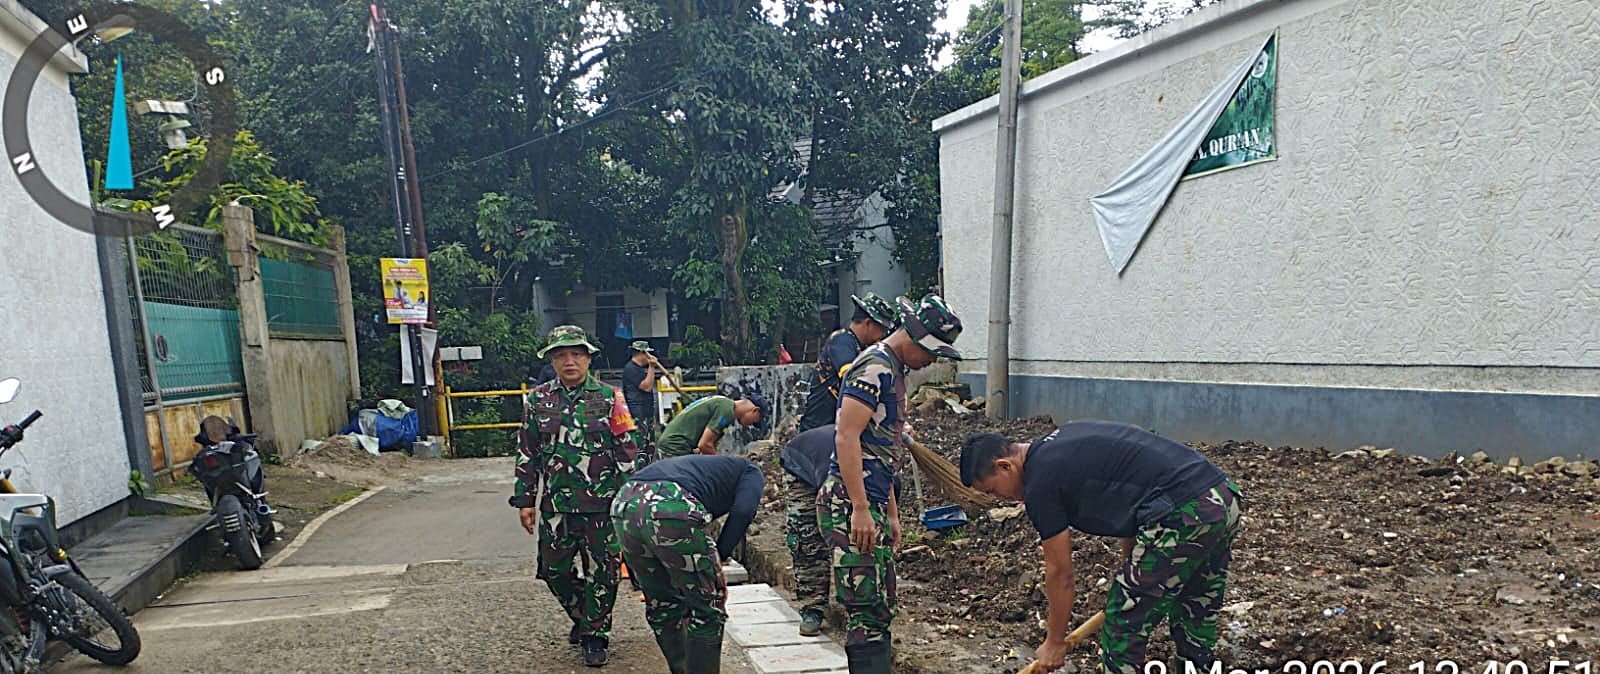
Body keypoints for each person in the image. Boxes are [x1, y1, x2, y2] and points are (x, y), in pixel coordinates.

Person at [958, 421, 1244, 674]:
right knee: (1197, 604)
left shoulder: (1040, 482)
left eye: (993, 491)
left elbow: (1060, 571)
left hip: (1182, 513)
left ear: (1004, 466)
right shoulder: (1065, 439)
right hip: (1220, 497)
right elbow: (1132, 492)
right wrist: (1132, 568)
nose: (1001, 498)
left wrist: (1055, 641)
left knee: (1123, 623)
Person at [822, 293, 963, 674]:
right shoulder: (873, 367)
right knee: (865, 608)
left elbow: (884, 451)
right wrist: (862, 508)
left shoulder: (894, 370)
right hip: (850, 501)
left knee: (881, 605)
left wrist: (891, 512)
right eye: (932, 351)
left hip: (874, 499)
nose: (932, 361)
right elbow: (846, 438)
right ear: (914, 337)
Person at [509, 325, 645, 668]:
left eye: (576, 354)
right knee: (553, 570)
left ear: (588, 358)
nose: (569, 361)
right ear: (551, 360)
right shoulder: (537, 400)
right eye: (561, 355)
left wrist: (633, 498)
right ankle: (584, 614)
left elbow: (627, 451)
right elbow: (527, 453)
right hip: (557, 505)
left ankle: (595, 635)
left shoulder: (609, 396)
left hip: (602, 503)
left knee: (604, 572)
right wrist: (525, 500)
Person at [610, 455, 764, 674]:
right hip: (670, 504)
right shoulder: (752, 471)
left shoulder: (701, 469)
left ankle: (681, 669)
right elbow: (743, 511)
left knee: (663, 604)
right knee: (707, 607)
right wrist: (718, 557)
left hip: (624, 502)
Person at [798, 293, 901, 433]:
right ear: (868, 323)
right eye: (882, 329)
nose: (882, 335)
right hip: (818, 429)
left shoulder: (860, 348)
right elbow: (853, 378)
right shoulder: (842, 340)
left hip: (837, 429)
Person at [780, 424, 838, 636]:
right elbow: (827, 510)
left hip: (828, 467)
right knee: (807, 537)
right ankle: (812, 608)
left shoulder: (878, 457)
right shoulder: (837, 458)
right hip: (801, 466)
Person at [655, 393, 767, 459]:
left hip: (673, 443)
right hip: (675, 446)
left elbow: (704, 445)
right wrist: (721, 465)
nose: (750, 425)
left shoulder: (723, 403)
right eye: (754, 422)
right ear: (755, 411)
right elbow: (705, 444)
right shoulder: (727, 410)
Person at [621, 340, 663, 437]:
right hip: (638, 414)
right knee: (641, 445)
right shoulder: (631, 368)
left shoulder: (639, 368)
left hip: (646, 412)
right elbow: (646, 386)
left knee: (649, 445)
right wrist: (651, 367)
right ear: (642, 353)